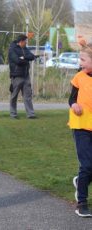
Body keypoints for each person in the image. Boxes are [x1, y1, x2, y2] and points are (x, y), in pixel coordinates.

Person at [68, 42, 92, 217]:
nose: (80, 62)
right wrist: (75, 104)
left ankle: (80, 181)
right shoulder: (79, 77)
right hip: (81, 125)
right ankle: (82, 202)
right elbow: (71, 99)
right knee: (87, 165)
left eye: (83, 59)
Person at [8, 34, 36, 119]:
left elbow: (32, 56)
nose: (26, 43)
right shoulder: (12, 49)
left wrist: (24, 57)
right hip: (16, 76)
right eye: (25, 41)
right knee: (14, 96)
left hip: (26, 75)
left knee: (27, 95)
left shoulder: (25, 49)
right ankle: (13, 114)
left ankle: (30, 114)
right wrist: (26, 60)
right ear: (21, 41)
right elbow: (17, 61)